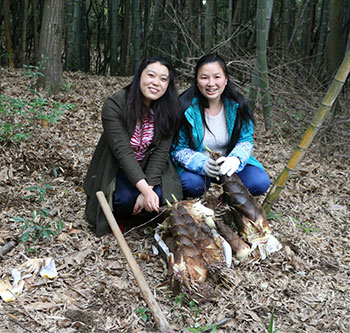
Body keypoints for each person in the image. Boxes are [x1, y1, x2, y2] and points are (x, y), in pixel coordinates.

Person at [84, 56, 183, 236]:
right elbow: (123, 152)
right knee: (124, 199)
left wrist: (148, 190)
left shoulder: (170, 109)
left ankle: (144, 216)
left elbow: (161, 152)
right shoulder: (115, 104)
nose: (156, 83)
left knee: (165, 197)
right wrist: (144, 190)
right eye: (151, 75)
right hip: (118, 167)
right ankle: (124, 217)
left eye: (163, 79)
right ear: (139, 76)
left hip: (149, 166)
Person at [171, 53, 270, 199]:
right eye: (204, 77)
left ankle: (225, 201)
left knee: (259, 182)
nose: (211, 83)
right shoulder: (185, 108)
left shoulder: (238, 105)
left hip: (228, 165)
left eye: (217, 77)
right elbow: (178, 148)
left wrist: (235, 159)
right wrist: (202, 163)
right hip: (197, 169)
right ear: (197, 81)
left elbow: (246, 139)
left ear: (225, 80)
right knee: (192, 184)